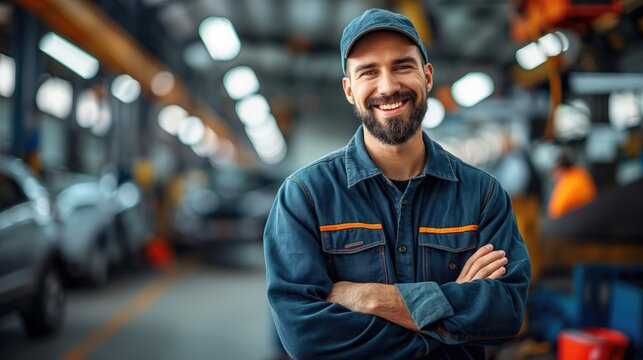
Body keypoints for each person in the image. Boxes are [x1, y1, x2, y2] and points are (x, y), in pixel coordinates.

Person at [264, 8, 531, 359]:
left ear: (428, 76)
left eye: (402, 66)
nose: (388, 86)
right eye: (368, 72)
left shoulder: (482, 195)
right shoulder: (305, 198)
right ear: (348, 89)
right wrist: (450, 315)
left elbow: (506, 313)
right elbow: (305, 336)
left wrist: (369, 298)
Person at [547, 150, 597, 219]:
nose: (553, 175)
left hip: (577, 220)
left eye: (554, 171)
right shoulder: (580, 174)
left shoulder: (570, 180)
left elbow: (556, 210)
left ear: (561, 168)